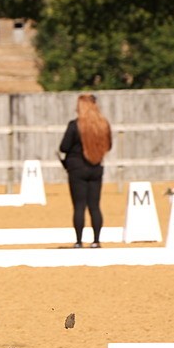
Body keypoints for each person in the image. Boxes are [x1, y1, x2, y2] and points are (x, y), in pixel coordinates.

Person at [58, 94, 112, 248]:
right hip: (96, 167)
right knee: (95, 206)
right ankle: (96, 240)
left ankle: (79, 241)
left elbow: (64, 147)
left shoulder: (74, 125)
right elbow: (109, 146)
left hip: (77, 168)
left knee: (79, 205)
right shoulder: (103, 125)